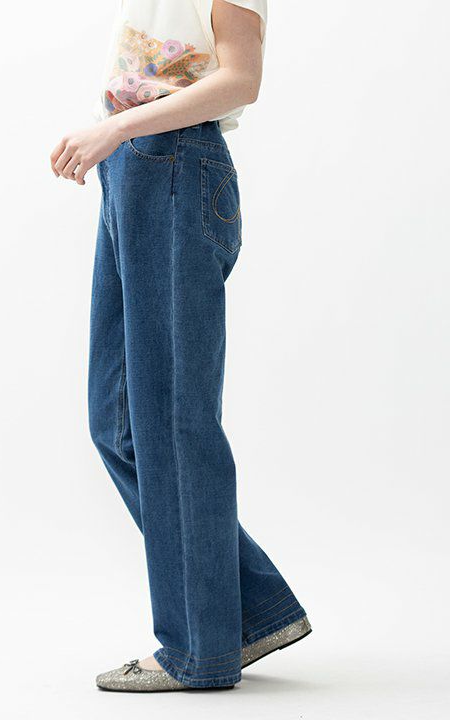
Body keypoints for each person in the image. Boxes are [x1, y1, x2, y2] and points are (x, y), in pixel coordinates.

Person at [51, 0, 311, 692]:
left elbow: (241, 79)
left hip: (172, 164)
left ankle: (201, 648)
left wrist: (115, 128)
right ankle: (248, 612)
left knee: (173, 420)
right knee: (118, 422)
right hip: (132, 174)